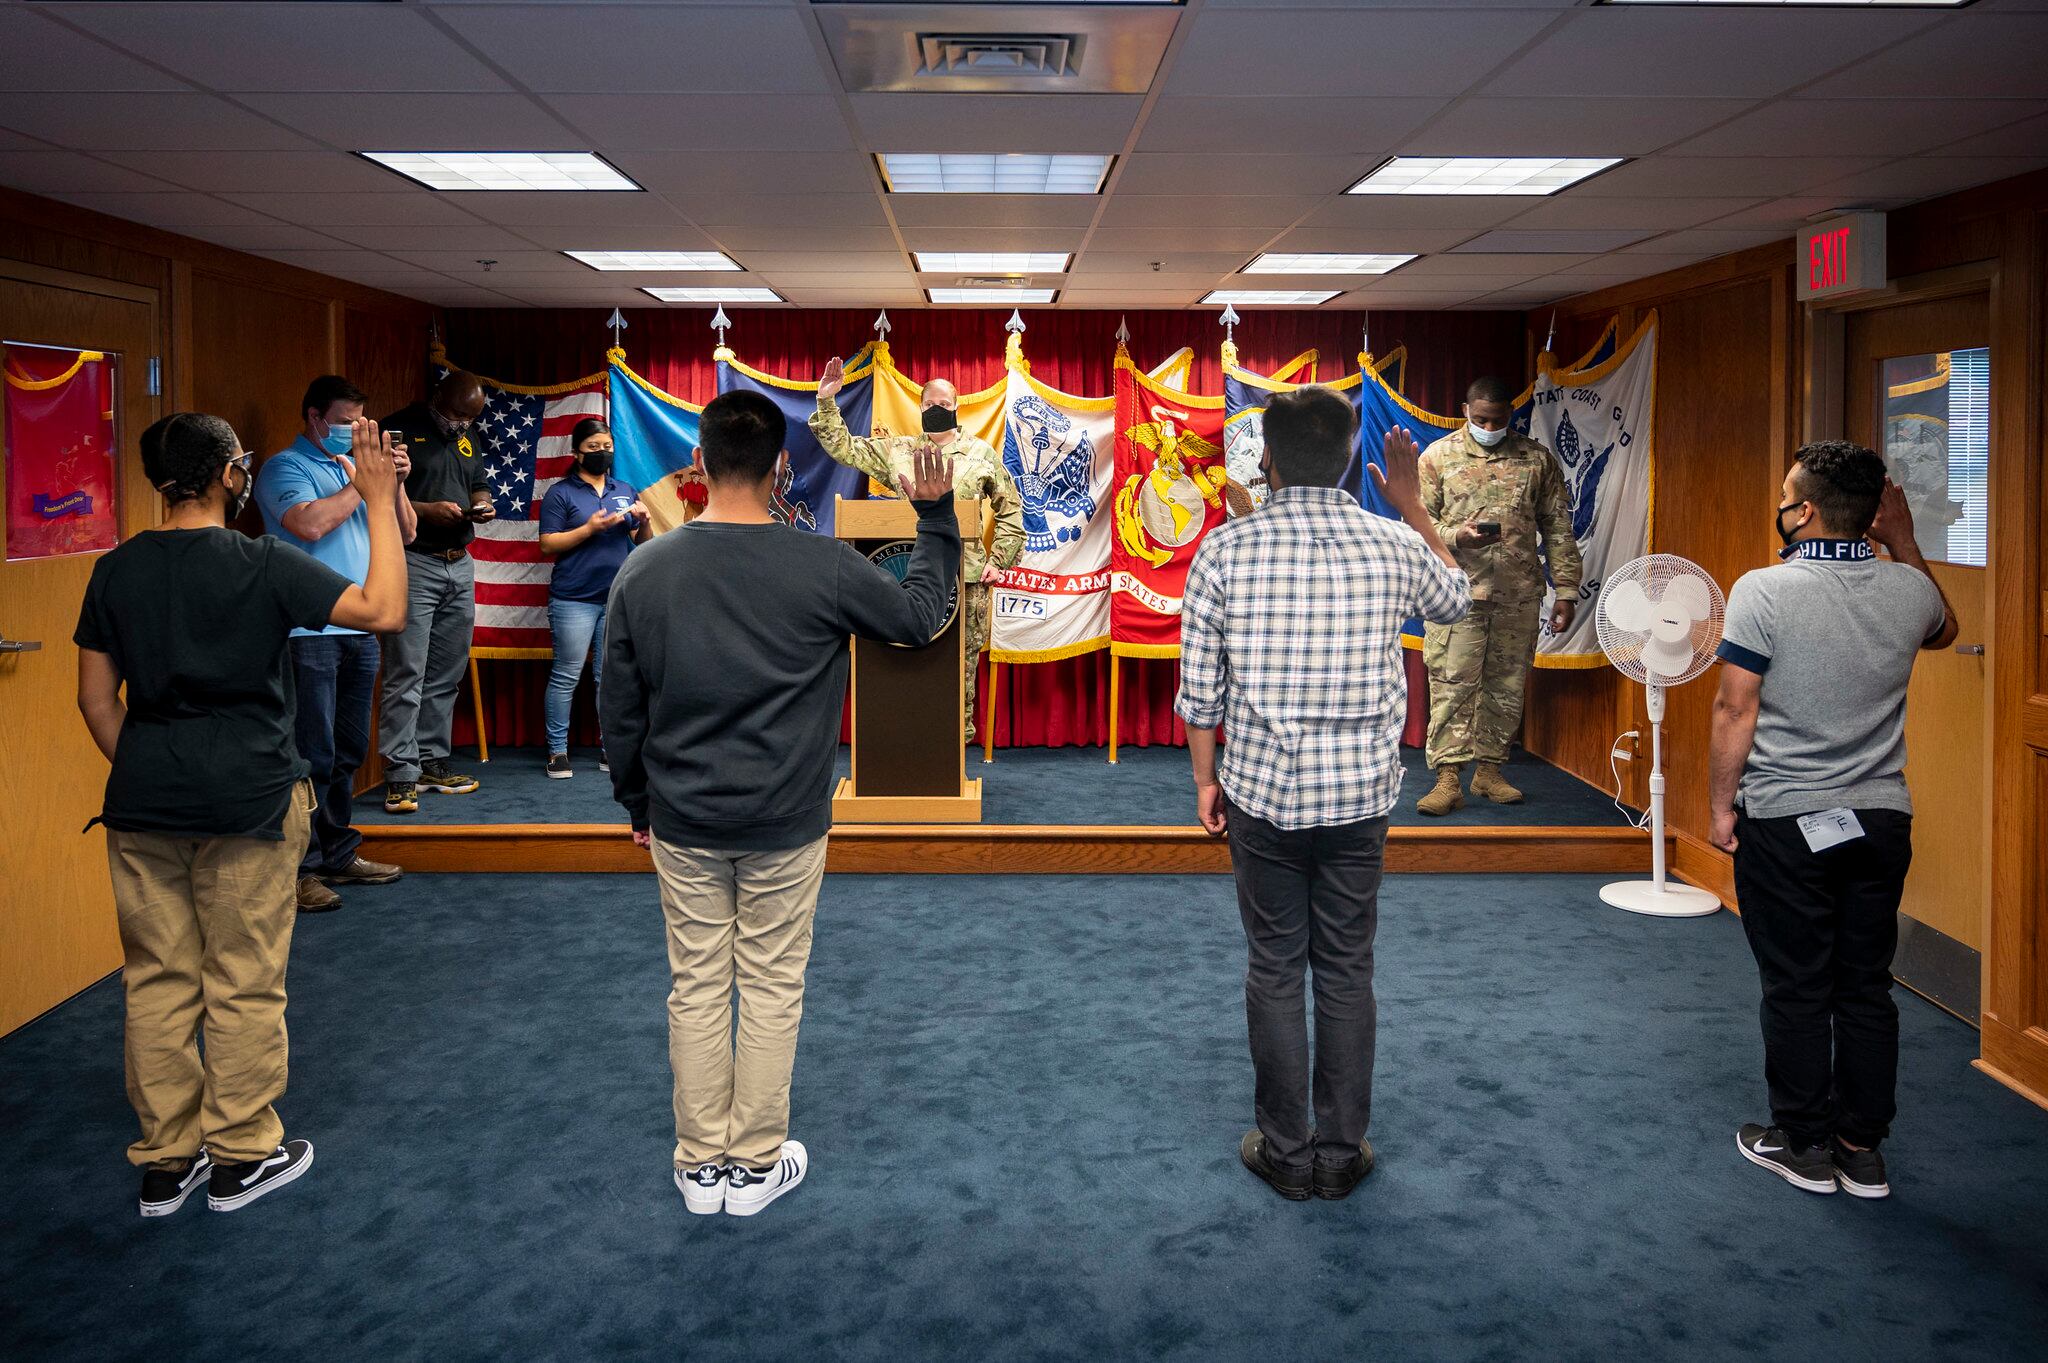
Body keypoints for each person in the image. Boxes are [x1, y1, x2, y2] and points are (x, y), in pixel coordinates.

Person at [602, 390, 959, 1218]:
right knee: (768, 985)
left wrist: (635, 802)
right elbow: (916, 618)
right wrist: (934, 521)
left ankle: (702, 1168)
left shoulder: (644, 567)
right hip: (787, 820)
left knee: (696, 986)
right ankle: (754, 1164)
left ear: (698, 463)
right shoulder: (823, 564)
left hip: (681, 818)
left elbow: (616, 701)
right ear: (781, 467)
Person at [75, 412, 407, 1217]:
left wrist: (162, 769)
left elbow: (95, 699)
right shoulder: (264, 562)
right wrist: (377, 492)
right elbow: (384, 609)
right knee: (243, 981)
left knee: (156, 979)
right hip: (252, 799)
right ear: (231, 475)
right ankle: (241, 1154)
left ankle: (165, 1162)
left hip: (145, 803)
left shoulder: (116, 569)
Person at [1176, 388, 1470, 1202]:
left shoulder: (1225, 551)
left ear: (1264, 458)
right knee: (1345, 966)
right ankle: (1340, 1153)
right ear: (1350, 458)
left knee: (1275, 964)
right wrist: (1413, 507)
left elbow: (1200, 693)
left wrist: (1205, 781)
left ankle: (1284, 1148)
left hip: (1261, 797)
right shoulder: (1390, 541)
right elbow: (1458, 598)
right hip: (1360, 802)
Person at [1709, 441, 1956, 1200]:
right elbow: (1946, 628)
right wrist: (1904, 542)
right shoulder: (1910, 590)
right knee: (1865, 984)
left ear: (1805, 509)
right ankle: (1861, 1148)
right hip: (1882, 817)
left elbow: (1734, 705)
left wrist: (1720, 804)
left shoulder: (1764, 589)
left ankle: (1804, 1143)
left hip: (1788, 817)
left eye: (1788, 494)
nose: (1782, 504)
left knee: (1796, 984)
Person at [254, 375, 415, 912]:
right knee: (309, 755)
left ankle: (337, 853)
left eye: (358, 421)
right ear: (314, 417)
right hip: (308, 634)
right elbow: (311, 524)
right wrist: (362, 485)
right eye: (344, 421)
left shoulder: (357, 468)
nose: (351, 431)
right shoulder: (286, 467)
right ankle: (298, 870)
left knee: (347, 752)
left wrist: (393, 484)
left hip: (360, 628)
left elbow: (408, 532)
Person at [809, 357, 1024, 743]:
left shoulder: (981, 454)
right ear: (920, 408)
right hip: (907, 573)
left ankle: (953, 753)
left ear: (957, 405)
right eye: (929, 404)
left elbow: (1010, 507)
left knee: (959, 668)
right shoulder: (898, 451)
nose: (936, 409)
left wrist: (1000, 559)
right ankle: (905, 752)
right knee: (905, 662)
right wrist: (827, 400)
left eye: (944, 403)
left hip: (966, 577)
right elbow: (844, 448)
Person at [1414, 376, 1582, 815]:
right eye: (1482, 418)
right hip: (1457, 594)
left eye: (1500, 419)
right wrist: (1457, 537)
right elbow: (1418, 526)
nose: (1491, 426)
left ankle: (1489, 771)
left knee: (1506, 687)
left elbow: (1559, 527)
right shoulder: (1438, 458)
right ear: (1464, 409)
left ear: (1510, 415)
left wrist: (1566, 589)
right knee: (1452, 683)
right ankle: (1448, 778)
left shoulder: (1535, 460)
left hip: (1518, 593)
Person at [377, 371, 492, 815]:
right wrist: (426, 511)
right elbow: (377, 494)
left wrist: (480, 503)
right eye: (459, 414)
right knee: (407, 670)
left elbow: (477, 478)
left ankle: (431, 759)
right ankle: (401, 773)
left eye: (471, 418)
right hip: (414, 560)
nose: (463, 424)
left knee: (447, 670)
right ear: (438, 395)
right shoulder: (398, 429)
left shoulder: (467, 432)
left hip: (459, 562)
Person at [536, 417, 649, 779]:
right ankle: (556, 752)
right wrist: (589, 528)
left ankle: (609, 748)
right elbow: (546, 543)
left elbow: (642, 542)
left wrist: (644, 520)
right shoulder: (561, 493)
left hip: (616, 597)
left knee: (609, 678)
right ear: (576, 453)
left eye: (607, 446)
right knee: (567, 674)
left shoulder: (624, 489)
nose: (602, 453)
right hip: (573, 599)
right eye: (593, 448)